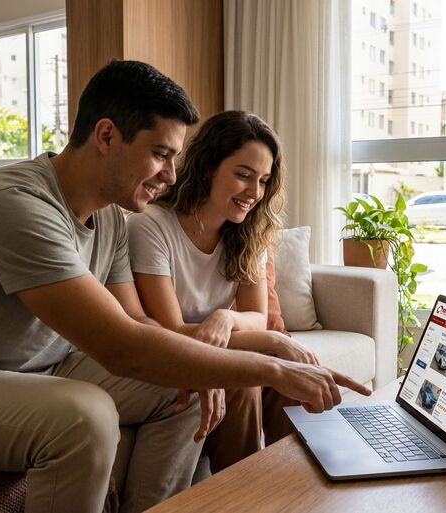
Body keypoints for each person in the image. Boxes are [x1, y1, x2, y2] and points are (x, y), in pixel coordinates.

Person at [0, 60, 370, 513]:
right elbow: (122, 348)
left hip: (45, 368)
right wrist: (274, 369)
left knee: (188, 382)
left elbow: (142, 326)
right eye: (160, 155)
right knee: (84, 417)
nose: (172, 177)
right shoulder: (15, 205)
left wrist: (218, 367)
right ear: (106, 135)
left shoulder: (108, 217)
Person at [126, 111, 314, 472]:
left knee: (290, 369)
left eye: (263, 181)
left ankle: (296, 489)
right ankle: (243, 497)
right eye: (243, 176)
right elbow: (172, 331)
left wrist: (225, 317)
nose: (254, 193)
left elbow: (257, 319)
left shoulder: (247, 234)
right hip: (168, 353)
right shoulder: (151, 227)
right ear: (209, 166)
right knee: (243, 375)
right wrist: (276, 343)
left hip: (214, 343)